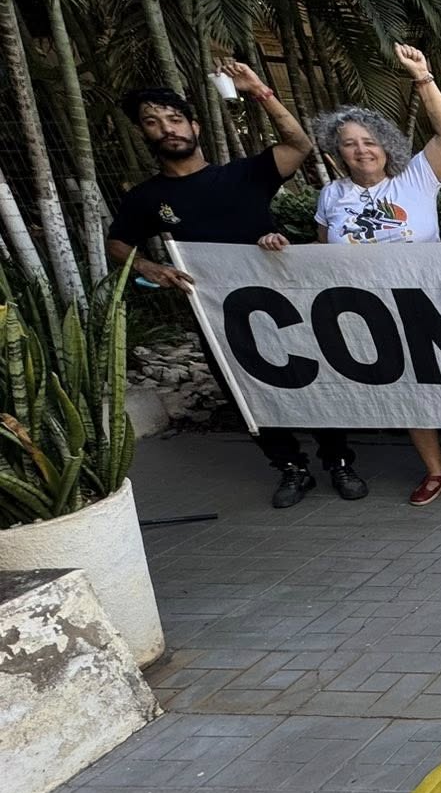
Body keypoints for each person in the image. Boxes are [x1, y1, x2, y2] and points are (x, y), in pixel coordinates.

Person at [108, 62, 366, 509]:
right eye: (153, 122)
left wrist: (259, 91)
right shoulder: (147, 198)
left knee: (312, 380)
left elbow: (298, 145)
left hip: (283, 305)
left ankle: (339, 461)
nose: (167, 129)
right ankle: (290, 467)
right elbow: (117, 243)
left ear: (195, 126)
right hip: (216, 313)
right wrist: (150, 267)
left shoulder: (245, 174)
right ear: (142, 133)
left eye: (174, 119)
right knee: (246, 390)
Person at [310, 44, 441, 507]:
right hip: (372, 309)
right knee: (410, 389)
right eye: (350, 143)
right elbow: (323, 253)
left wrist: (423, 77)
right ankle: (436, 472)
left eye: (369, 141)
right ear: (337, 151)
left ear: (385, 145)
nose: (361, 150)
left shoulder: (415, 179)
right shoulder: (331, 196)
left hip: (433, 302)